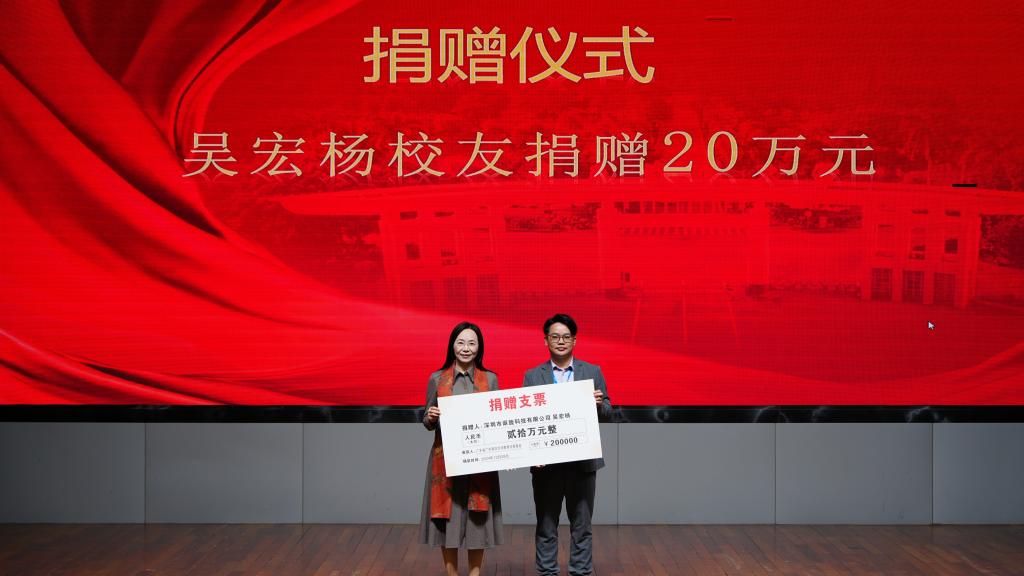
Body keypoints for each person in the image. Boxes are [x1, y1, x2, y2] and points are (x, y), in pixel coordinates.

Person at [523, 313, 612, 576]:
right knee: (546, 526)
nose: (560, 341)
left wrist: (599, 404)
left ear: (574, 340)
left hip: (582, 464)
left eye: (566, 337)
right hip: (546, 466)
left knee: (582, 526)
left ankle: (580, 572)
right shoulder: (532, 376)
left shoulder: (592, 371)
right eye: (555, 337)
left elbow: (608, 412)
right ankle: (547, 572)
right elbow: (525, 420)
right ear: (546, 341)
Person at [420, 321, 503, 576]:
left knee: (478, 521)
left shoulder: (490, 379)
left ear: (479, 348)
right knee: (449, 520)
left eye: (472, 343)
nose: (466, 348)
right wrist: (430, 416)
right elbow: (427, 420)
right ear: (452, 346)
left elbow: (498, 419)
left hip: (480, 461)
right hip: (446, 461)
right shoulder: (437, 378)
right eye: (461, 342)